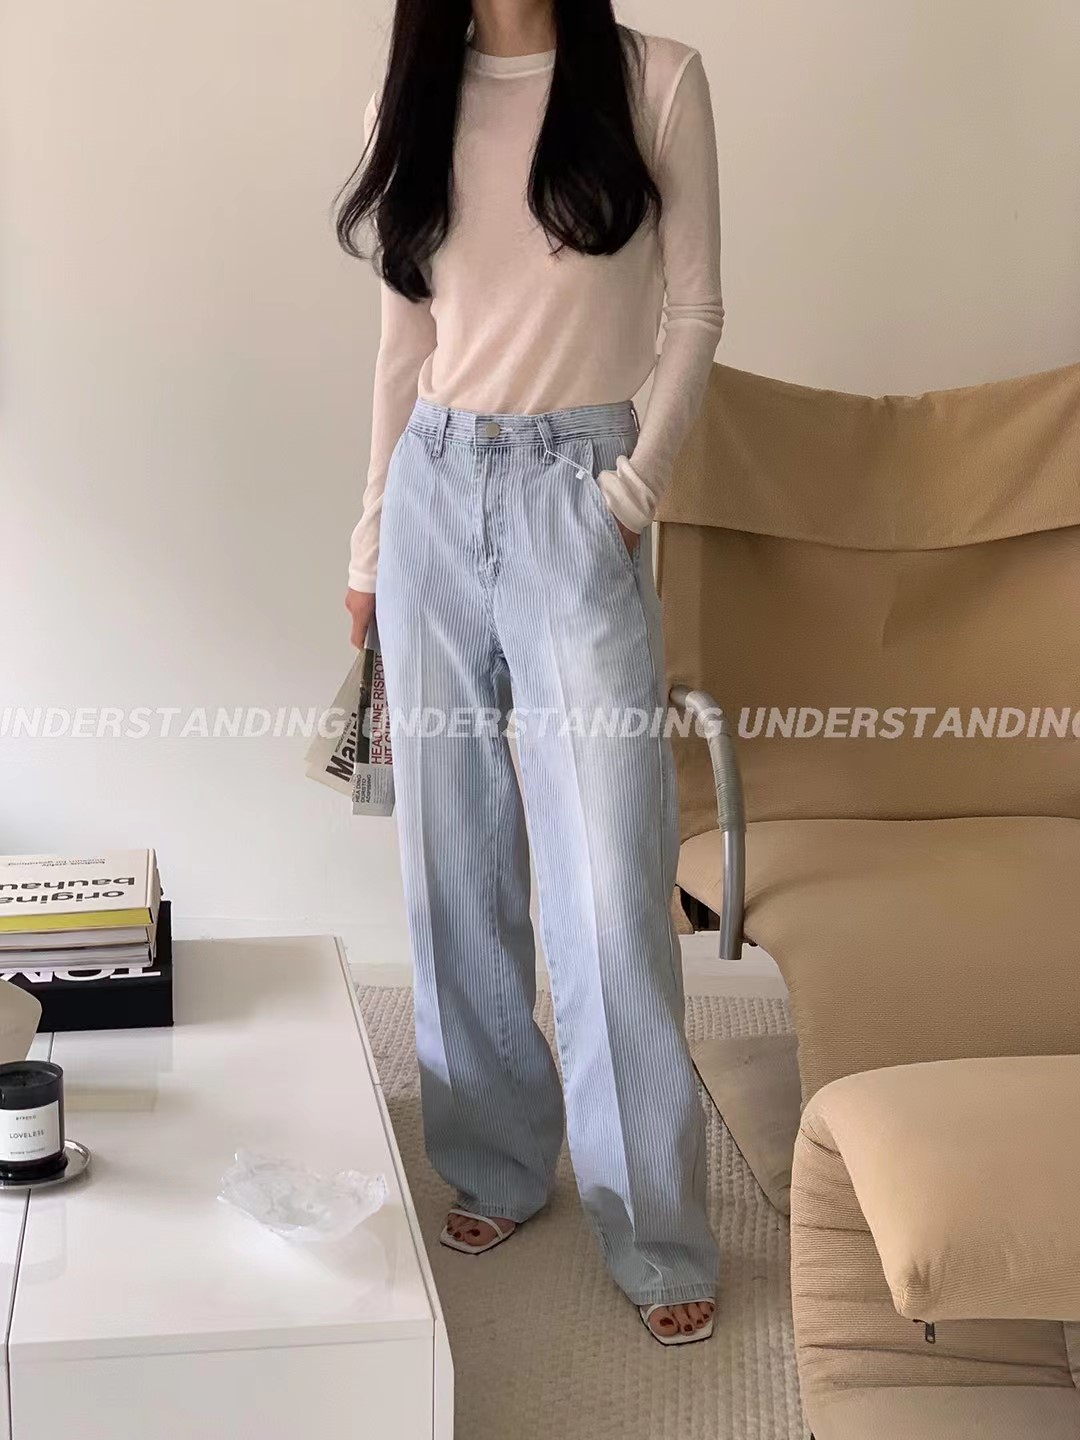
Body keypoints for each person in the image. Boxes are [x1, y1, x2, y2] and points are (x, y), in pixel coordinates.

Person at [338, 0, 723, 1346]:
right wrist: (371, 542)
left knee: (610, 880)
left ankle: (657, 1231)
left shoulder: (655, 81)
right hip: (434, 495)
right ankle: (498, 1162)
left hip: (579, 492)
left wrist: (628, 497)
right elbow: (403, 347)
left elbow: (695, 312)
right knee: (453, 863)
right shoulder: (409, 98)